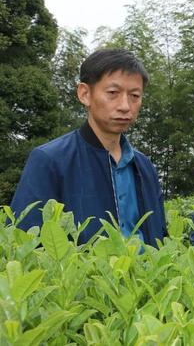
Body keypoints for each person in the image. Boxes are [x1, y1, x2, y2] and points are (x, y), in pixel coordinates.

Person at [11, 48, 166, 245]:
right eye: (113, 93)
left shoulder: (144, 166)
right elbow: (24, 243)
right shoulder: (50, 160)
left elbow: (160, 238)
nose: (125, 106)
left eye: (134, 96)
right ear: (85, 94)